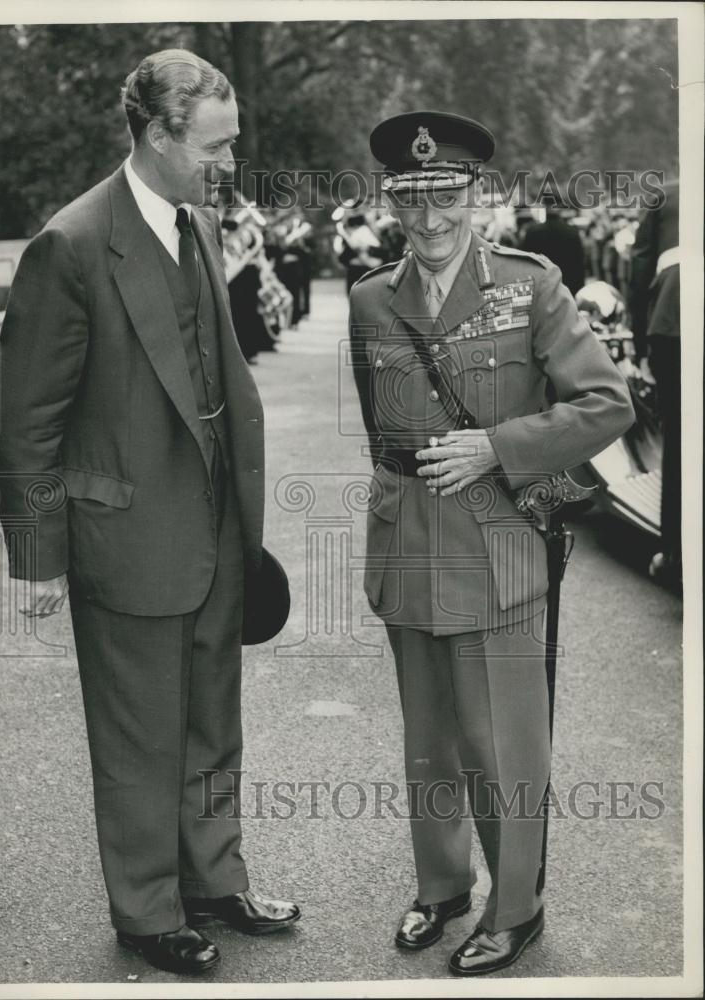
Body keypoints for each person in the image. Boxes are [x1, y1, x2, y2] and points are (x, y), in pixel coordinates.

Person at [0, 49, 300, 977]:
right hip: (123, 537)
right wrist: (40, 558)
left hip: (213, 530)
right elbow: (21, 421)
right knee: (138, 736)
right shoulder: (72, 243)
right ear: (158, 136)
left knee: (212, 719)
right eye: (216, 146)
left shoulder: (192, 221)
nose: (230, 163)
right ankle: (147, 911)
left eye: (233, 144)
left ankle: (213, 879)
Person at [348, 111, 635, 976]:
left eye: (446, 198)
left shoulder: (531, 287)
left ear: (474, 195)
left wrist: (497, 447)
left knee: (503, 743)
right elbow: (380, 431)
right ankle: (442, 889)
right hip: (407, 545)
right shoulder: (370, 296)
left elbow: (605, 404)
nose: (429, 220)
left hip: (500, 547)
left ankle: (517, 910)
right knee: (428, 738)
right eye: (411, 200)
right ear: (392, 199)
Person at [628, 179, 681, 585]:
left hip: (674, 316)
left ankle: (675, 554)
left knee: (679, 440)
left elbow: (641, 264)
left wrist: (640, 340)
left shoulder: (666, 193)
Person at [520, 199, 586, 296]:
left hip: (543, 287)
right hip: (568, 285)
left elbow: (526, 263)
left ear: (544, 208)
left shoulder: (533, 232)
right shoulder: (572, 231)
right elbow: (579, 262)